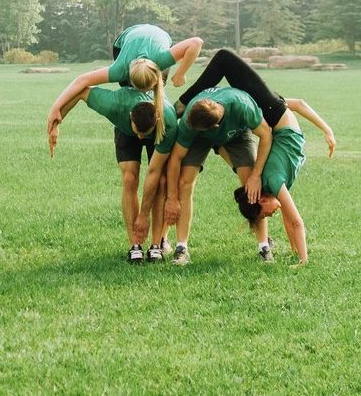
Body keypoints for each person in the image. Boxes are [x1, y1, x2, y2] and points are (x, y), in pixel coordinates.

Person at [176, 49, 337, 265]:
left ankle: (182, 107)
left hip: (267, 117)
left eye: (265, 215)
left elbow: (298, 104)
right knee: (223, 65)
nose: (271, 215)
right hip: (269, 122)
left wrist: (327, 130)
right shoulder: (275, 169)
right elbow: (299, 104)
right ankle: (183, 108)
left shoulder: (269, 109)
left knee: (224, 58)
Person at [48, 84, 177, 264]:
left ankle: (156, 245)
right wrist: (56, 123)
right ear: (131, 117)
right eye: (137, 132)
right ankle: (135, 246)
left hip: (157, 132)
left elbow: (153, 172)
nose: (140, 137)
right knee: (129, 178)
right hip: (124, 127)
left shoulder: (167, 122)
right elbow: (82, 91)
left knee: (161, 181)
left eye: (144, 134)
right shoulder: (114, 105)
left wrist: (144, 215)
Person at [163, 86, 273, 265]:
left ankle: (264, 246)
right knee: (184, 183)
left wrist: (256, 175)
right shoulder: (192, 118)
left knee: (251, 187)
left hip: (235, 135)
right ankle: (181, 248)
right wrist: (172, 198)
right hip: (200, 138)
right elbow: (176, 158)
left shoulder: (242, 106)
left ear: (214, 127)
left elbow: (266, 135)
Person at [47, 24, 202, 150]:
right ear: (129, 79)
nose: (144, 94)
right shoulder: (120, 70)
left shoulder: (161, 59)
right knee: (127, 94)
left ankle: (149, 125)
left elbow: (196, 43)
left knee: (152, 99)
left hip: (159, 37)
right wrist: (55, 108)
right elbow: (81, 81)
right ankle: (135, 123)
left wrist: (181, 73)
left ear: (156, 80)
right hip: (125, 42)